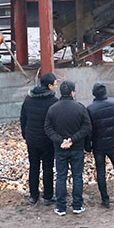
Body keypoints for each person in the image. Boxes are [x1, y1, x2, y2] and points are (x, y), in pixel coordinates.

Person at [44, 81, 92, 216]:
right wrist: (73, 139)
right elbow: (87, 127)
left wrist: (61, 141)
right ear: (72, 92)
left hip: (60, 149)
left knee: (61, 177)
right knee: (77, 177)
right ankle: (77, 205)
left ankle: (61, 207)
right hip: (77, 148)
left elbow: (47, 128)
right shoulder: (80, 108)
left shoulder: (53, 109)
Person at [20, 73, 58, 205]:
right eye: (55, 83)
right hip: (47, 141)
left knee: (34, 166)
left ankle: (33, 196)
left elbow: (23, 119)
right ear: (49, 86)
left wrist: (25, 135)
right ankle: (48, 196)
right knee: (48, 167)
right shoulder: (53, 102)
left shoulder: (28, 99)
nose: (56, 86)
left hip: (32, 139)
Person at [86, 81, 114, 208]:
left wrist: (88, 146)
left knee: (101, 172)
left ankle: (105, 199)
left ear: (94, 94)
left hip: (98, 146)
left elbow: (89, 130)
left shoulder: (90, 109)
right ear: (106, 92)